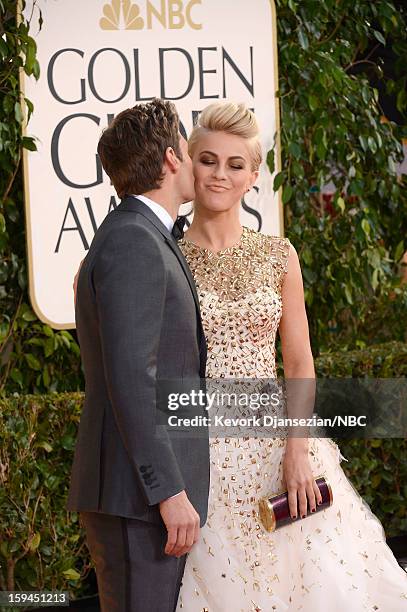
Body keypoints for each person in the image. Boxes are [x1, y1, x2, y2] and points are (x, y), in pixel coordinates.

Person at [172, 102, 407, 611]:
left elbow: (299, 364)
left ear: (253, 175)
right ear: (189, 164)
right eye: (208, 160)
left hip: (281, 443)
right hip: (202, 451)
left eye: (236, 164)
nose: (220, 174)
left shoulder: (280, 255)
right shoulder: (168, 258)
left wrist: (297, 451)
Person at [67, 99, 209, 612]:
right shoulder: (133, 239)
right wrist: (168, 492)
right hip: (139, 502)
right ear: (172, 159)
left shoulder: (138, 233)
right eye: (192, 152)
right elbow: (131, 378)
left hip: (138, 502)